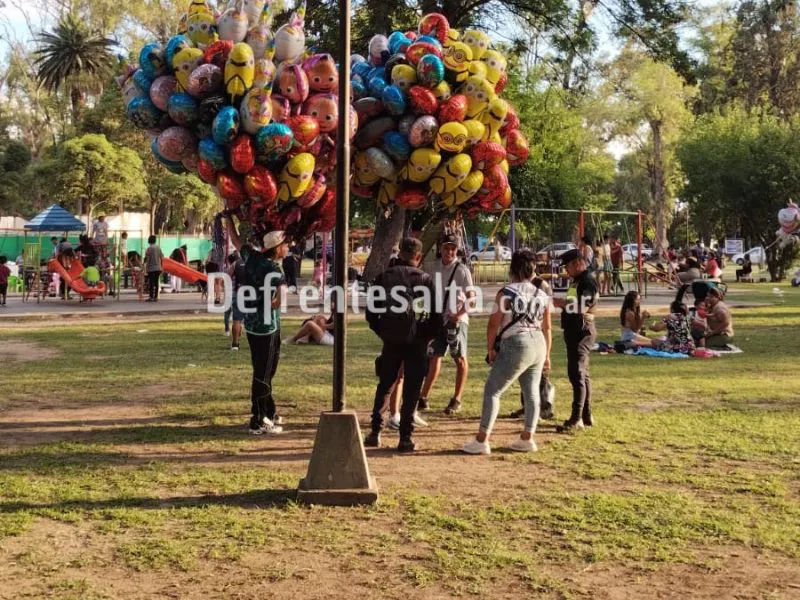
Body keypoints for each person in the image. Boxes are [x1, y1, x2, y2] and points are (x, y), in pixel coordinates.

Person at [462, 249, 552, 455]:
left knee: (493, 390)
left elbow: (493, 323)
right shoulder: (542, 293)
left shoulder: (507, 292)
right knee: (531, 393)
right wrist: (547, 355)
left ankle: (482, 439)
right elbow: (547, 327)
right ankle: (527, 437)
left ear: (513, 268)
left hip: (516, 342)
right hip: (538, 342)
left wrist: (490, 348)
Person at [364, 237, 442, 452]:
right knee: (412, 389)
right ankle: (405, 437)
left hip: (391, 339)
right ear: (418, 257)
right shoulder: (425, 280)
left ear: (400, 255)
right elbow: (437, 315)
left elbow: (371, 314)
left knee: (385, 385)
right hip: (417, 340)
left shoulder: (383, 277)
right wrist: (426, 336)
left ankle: (375, 432)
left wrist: (384, 332)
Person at [226, 216, 288, 435]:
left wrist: (228, 220)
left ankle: (268, 411)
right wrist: (267, 304)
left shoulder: (251, 258)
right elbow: (279, 300)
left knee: (261, 369)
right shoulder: (275, 271)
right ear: (277, 249)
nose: (287, 248)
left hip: (251, 325)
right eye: (285, 245)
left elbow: (235, 240)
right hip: (267, 327)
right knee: (264, 372)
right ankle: (258, 419)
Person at [419, 234, 476, 415]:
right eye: (446, 248)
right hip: (437, 320)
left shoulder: (462, 270)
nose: (449, 252)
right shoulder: (432, 267)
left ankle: (457, 399)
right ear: (440, 249)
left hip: (456, 321)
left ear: (457, 250)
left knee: (459, 358)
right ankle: (423, 397)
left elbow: (472, 298)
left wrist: (459, 315)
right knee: (434, 356)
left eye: (453, 248)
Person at [552, 248, 598, 433]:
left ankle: (576, 418)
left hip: (581, 331)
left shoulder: (587, 281)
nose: (566, 270)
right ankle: (586, 415)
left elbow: (581, 307)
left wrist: (561, 303)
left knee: (577, 373)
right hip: (575, 330)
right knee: (582, 374)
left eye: (568, 266)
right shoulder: (579, 281)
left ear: (578, 263)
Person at [223, 250, 246, 350]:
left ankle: (235, 344)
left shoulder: (236, 263)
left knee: (237, 320)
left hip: (239, 292)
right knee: (256, 321)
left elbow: (227, 276)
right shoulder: (258, 263)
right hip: (254, 295)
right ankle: (256, 343)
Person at [144, 235, 163, 302]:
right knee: (156, 282)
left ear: (149, 240)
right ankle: (156, 297)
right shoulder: (158, 247)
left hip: (151, 268)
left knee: (151, 283)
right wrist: (161, 266)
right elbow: (162, 257)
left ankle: (151, 297)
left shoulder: (149, 249)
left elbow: (147, 259)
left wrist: (146, 267)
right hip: (158, 268)